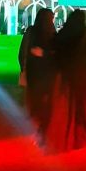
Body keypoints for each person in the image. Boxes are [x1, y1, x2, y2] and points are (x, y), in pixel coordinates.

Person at [45, 10, 86, 154]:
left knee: (66, 110)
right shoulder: (84, 37)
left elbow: (54, 51)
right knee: (80, 110)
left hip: (64, 78)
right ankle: (78, 138)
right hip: (80, 79)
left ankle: (64, 138)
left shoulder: (64, 34)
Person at [18, 8, 57, 142]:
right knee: (44, 102)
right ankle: (42, 128)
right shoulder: (51, 32)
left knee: (37, 101)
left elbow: (23, 51)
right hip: (44, 73)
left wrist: (24, 67)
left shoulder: (34, 31)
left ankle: (40, 127)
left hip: (36, 73)